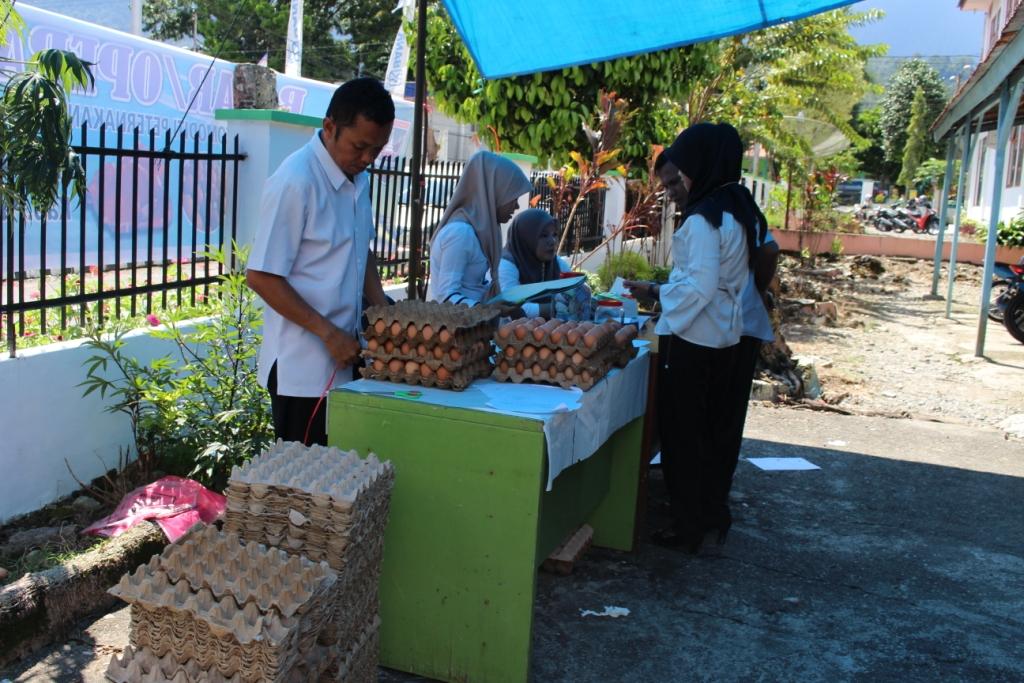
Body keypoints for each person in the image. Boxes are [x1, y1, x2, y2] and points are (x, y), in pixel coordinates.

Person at [625, 122, 766, 552]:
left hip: (695, 339)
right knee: (710, 433)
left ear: (699, 166)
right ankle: (708, 515)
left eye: (677, 177)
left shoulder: (703, 221)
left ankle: (687, 527)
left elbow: (698, 287)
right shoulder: (737, 204)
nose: (672, 189)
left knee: (684, 437)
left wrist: (656, 292)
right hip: (724, 334)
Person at [246, 77, 395, 447]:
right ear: (329, 127)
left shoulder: (359, 180)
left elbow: (362, 250)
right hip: (301, 371)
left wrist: (383, 312)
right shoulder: (296, 182)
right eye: (359, 146)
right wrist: (329, 334)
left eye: (376, 150)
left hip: (346, 361)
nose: (366, 159)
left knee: (342, 483)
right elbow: (262, 276)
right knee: (306, 491)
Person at [426, 150, 532, 307]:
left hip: (472, 325)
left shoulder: (483, 231)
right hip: (456, 328)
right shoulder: (460, 233)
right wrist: (485, 309)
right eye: (513, 198)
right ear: (495, 192)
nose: (516, 206)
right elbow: (445, 296)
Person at [499, 208, 579, 319]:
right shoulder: (506, 265)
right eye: (544, 235)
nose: (552, 241)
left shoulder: (557, 264)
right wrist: (554, 308)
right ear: (526, 238)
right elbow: (510, 307)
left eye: (555, 234)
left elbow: (574, 294)